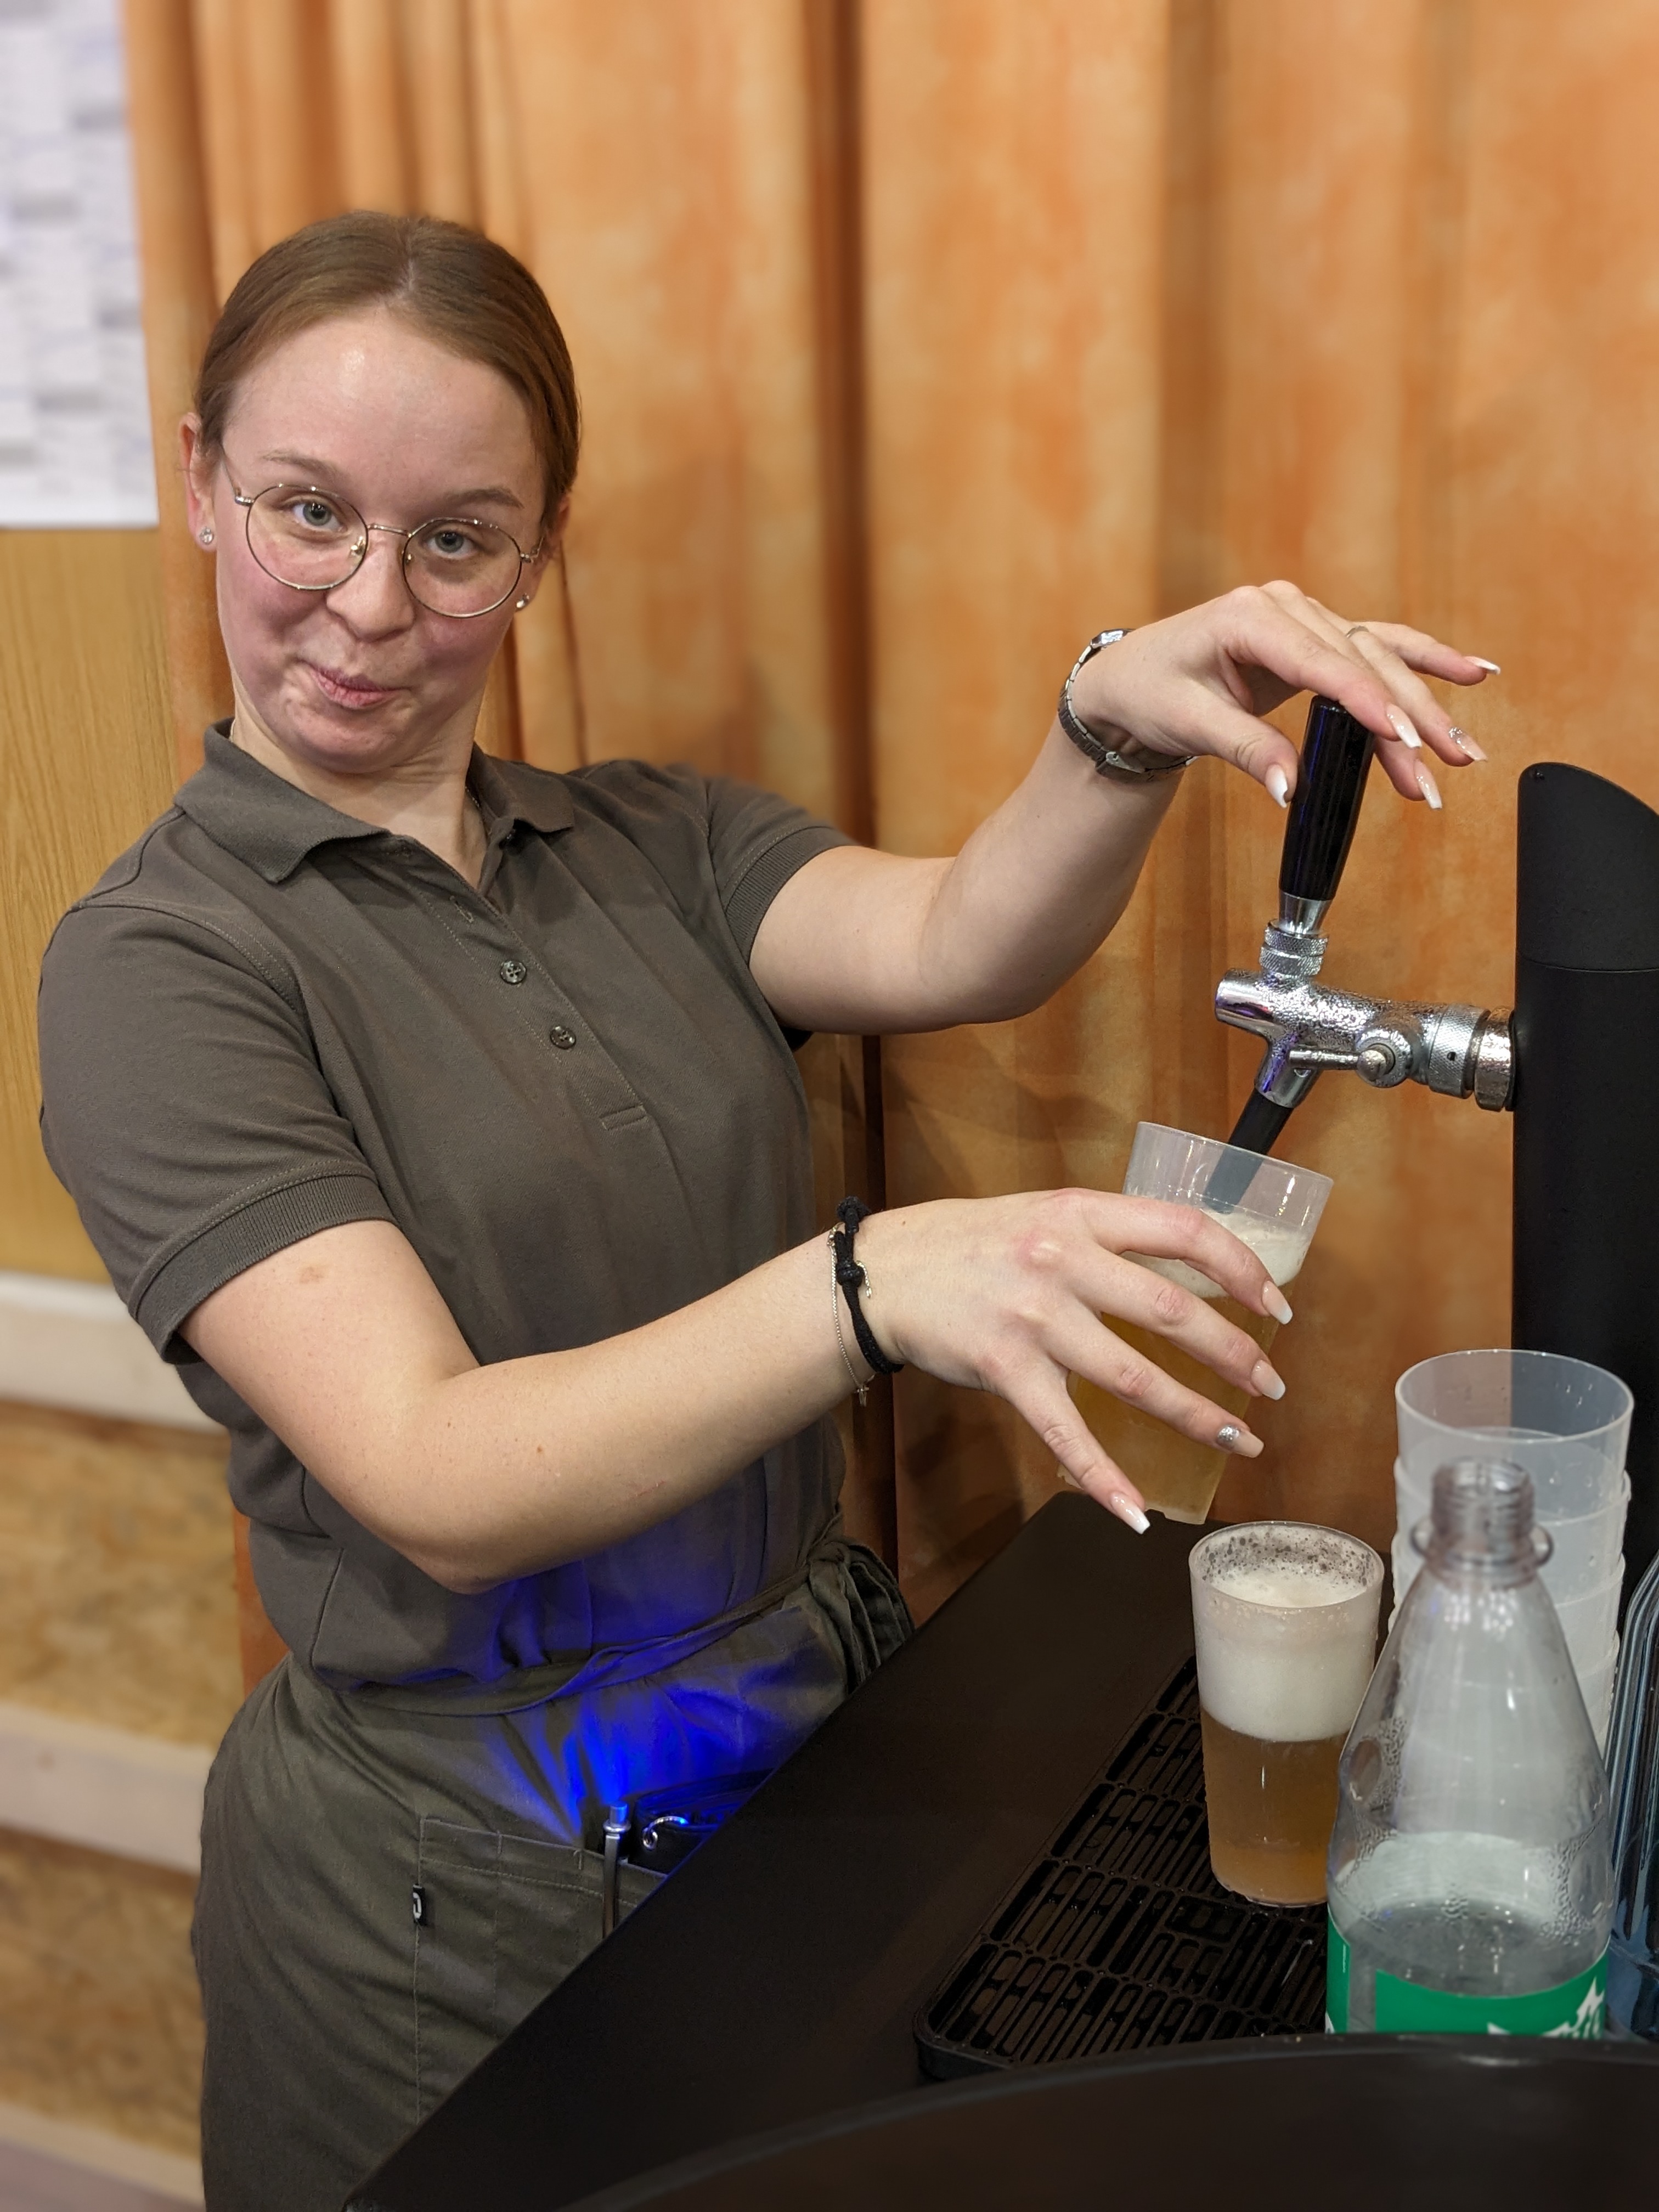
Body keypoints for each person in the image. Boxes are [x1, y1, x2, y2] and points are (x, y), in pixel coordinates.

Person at [36, 212, 1492, 2210]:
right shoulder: (159, 965)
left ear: (539, 552)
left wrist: (1113, 720)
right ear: (201, 481)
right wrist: (872, 1284)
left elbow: (966, 938)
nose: (371, 604)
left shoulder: (646, 838)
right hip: (445, 1900)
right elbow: (431, 1469)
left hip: (806, 1763)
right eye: (310, 513)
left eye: (456, 539)